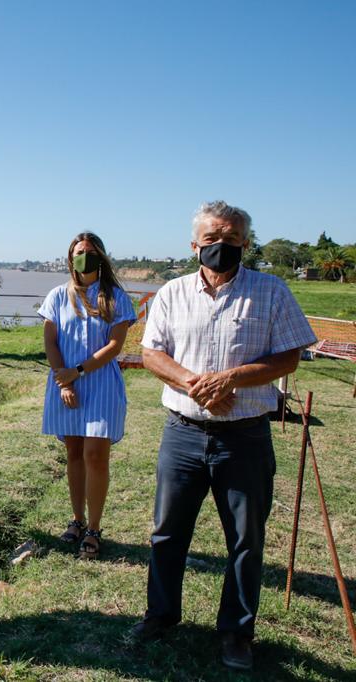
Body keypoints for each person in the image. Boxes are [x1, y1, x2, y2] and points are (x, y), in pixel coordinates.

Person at [129, 201, 317, 670]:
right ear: (194, 245)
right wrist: (198, 385)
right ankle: (161, 615)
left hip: (245, 437)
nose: (221, 247)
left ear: (245, 244)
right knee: (167, 533)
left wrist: (231, 378)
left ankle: (236, 633)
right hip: (183, 434)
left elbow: (288, 358)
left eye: (231, 240)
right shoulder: (171, 293)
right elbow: (152, 353)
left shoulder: (271, 291)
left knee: (246, 538)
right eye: (212, 239)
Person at [39, 233, 136, 559]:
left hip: (100, 383)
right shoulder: (56, 296)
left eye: (91, 252)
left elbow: (115, 346)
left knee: (96, 454)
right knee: (75, 452)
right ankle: (77, 520)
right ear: (71, 258)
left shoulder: (116, 297)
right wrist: (64, 382)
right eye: (80, 252)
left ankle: (94, 528)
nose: (85, 257)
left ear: (102, 257)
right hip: (66, 384)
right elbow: (51, 342)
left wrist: (77, 372)